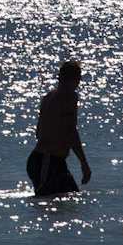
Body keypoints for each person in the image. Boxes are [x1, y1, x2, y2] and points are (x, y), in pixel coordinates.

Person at [26, 60, 92, 197]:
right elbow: (71, 131)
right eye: (78, 79)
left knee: (70, 201)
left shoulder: (48, 97)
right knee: (59, 205)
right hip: (46, 161)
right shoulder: (69, 97)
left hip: (49, 161)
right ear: (74, 80)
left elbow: (39, 132)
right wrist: (84, 163)